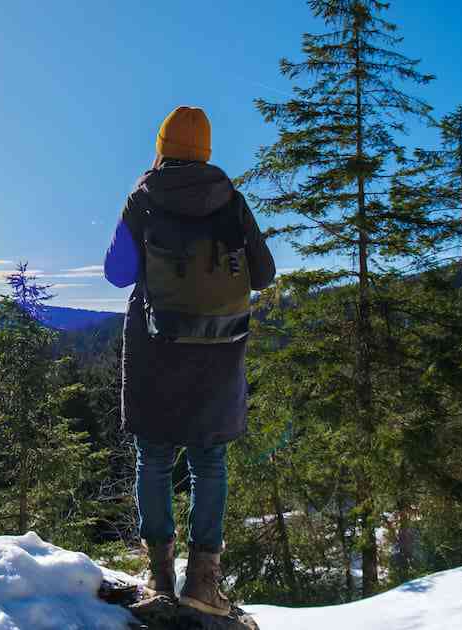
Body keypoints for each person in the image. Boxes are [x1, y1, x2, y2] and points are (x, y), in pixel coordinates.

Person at [103, 106, 275, 615]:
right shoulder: (231, 201)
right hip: (219, 352)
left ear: (162, 146)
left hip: (158, 349)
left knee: (153, 458)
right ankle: (203, 583)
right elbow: (263, 274)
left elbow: (117, 273)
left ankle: (158, 576)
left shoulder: (144, 197)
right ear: (206, 150)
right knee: (209, 461)